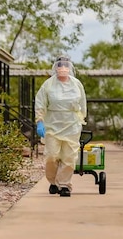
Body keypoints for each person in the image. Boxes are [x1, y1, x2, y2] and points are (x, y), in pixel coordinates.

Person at [35, 55, 87, 197]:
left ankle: (64, 185)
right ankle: (53, 181)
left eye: (66, 65)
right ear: (56, 68)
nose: (63, 68)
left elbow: (82, 104)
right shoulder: (48, 85)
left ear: (70, 67)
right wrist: (39, 121)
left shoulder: (77, 84)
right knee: (52, 156)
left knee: (69, 156)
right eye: (60, 65)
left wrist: (81, 118)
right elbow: (40, 103)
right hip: (52, 124)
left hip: (72, 125)